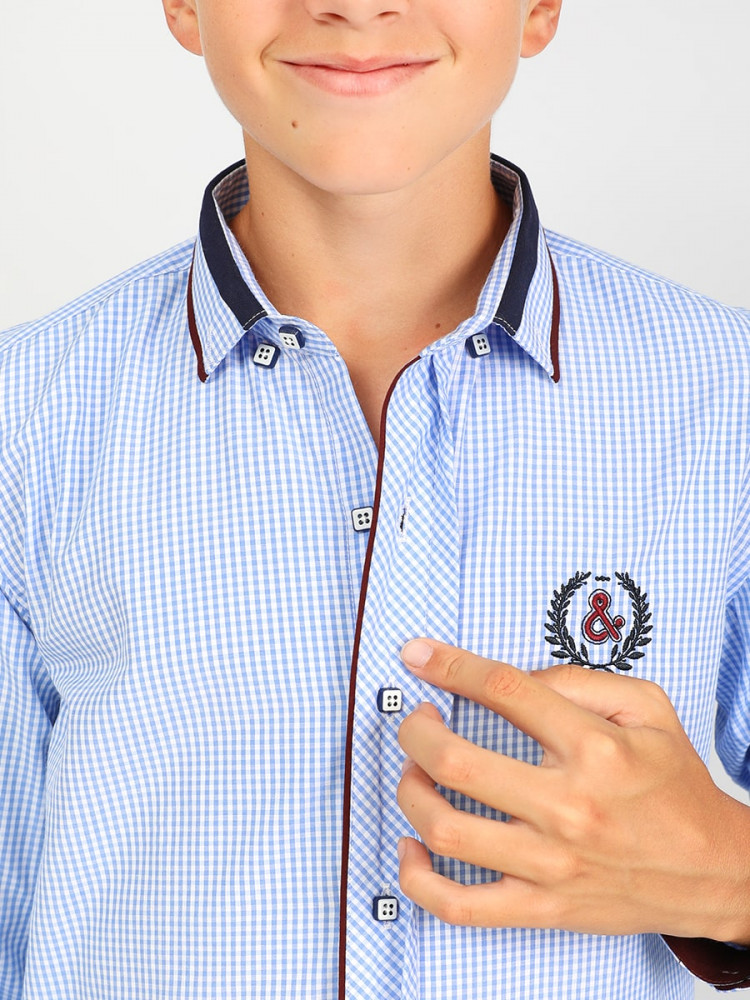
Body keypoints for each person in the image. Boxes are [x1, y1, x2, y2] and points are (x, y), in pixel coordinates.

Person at [1, 0, 748, 997]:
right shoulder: (24, 417)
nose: (356, 6)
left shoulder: (727, 399)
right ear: (183, 5)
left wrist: (729, 876)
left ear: (538, 8)